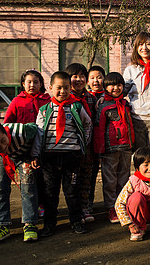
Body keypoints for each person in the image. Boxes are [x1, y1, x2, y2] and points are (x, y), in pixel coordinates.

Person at [36, 71, 92, 237]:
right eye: (59, 88)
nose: (62, 91)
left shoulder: (76, 107)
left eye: (66, 88)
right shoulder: (45, 110)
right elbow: (39, 134)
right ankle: (49, 223)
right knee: (50, 192)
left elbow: (87, 124)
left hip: (71, 156)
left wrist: (83, 143)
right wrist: (36, 155)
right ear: (51, 88)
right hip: (50, 157)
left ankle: (76, 221)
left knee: (72, 190)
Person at [0, 118, 41, 242]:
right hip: (6, 157)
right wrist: (1, 151)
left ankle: (30, 223)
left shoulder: (21, 132)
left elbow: (36, 128)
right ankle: (0, 224)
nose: (2, 146)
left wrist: (35, 154)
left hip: (25, 156)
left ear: (4, 132)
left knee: (28, 187)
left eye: (3, 140)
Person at [3, 69, 50, 220]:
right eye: (29, 82)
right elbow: (8, 123)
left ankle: (43, 204)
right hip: (22, 147)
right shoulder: (17, 101)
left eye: (36, 82)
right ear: (23, 84)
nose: (32, 85)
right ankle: (32, 208)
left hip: (43, 146)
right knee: (29, 181)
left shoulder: (47, 100)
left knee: (43, 177)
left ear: (41, 84)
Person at [94, 72, 134, 223]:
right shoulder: (103, 106)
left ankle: (122, 204)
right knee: (110, 179)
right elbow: (99, 130)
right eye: (111, 85)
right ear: (105, 87)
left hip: (126, 148)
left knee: (124, 178)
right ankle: (111, 207)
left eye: (119, 85)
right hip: (110, 150)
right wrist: (100, 150)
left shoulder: (126, 104)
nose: (115, 88)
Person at [65, 63, 97, 223]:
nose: (78, 80)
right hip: (71, 147)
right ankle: (75, 211)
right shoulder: (66, 99)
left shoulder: (91, 98)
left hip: (90, 148)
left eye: (81, 76)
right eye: (74, 76)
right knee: (72, 180)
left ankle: (85, 208)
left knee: (87, 179)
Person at [86, 65, 105, 213]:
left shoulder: (109, 96)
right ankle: (87, 204)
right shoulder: (85, 97)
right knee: (90, 175)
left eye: (99, 77)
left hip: (106, 142)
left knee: (109, 175)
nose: (96, 81)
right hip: (90, 143)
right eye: (92, 78)